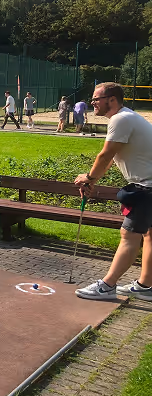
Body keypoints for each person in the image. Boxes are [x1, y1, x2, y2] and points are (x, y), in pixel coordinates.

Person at [74, 82, 152, 301]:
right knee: (150, 235)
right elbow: (110, 158)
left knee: (129, 236)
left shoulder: (121, 119)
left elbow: (105, 155)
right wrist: (93, 181)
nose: (92, 103)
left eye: (96, 99)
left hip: (147, 188)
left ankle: (107, 286)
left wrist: (88, 178)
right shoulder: (128, 117)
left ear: (111, 99)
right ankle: (146, 286)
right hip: (149, 186)